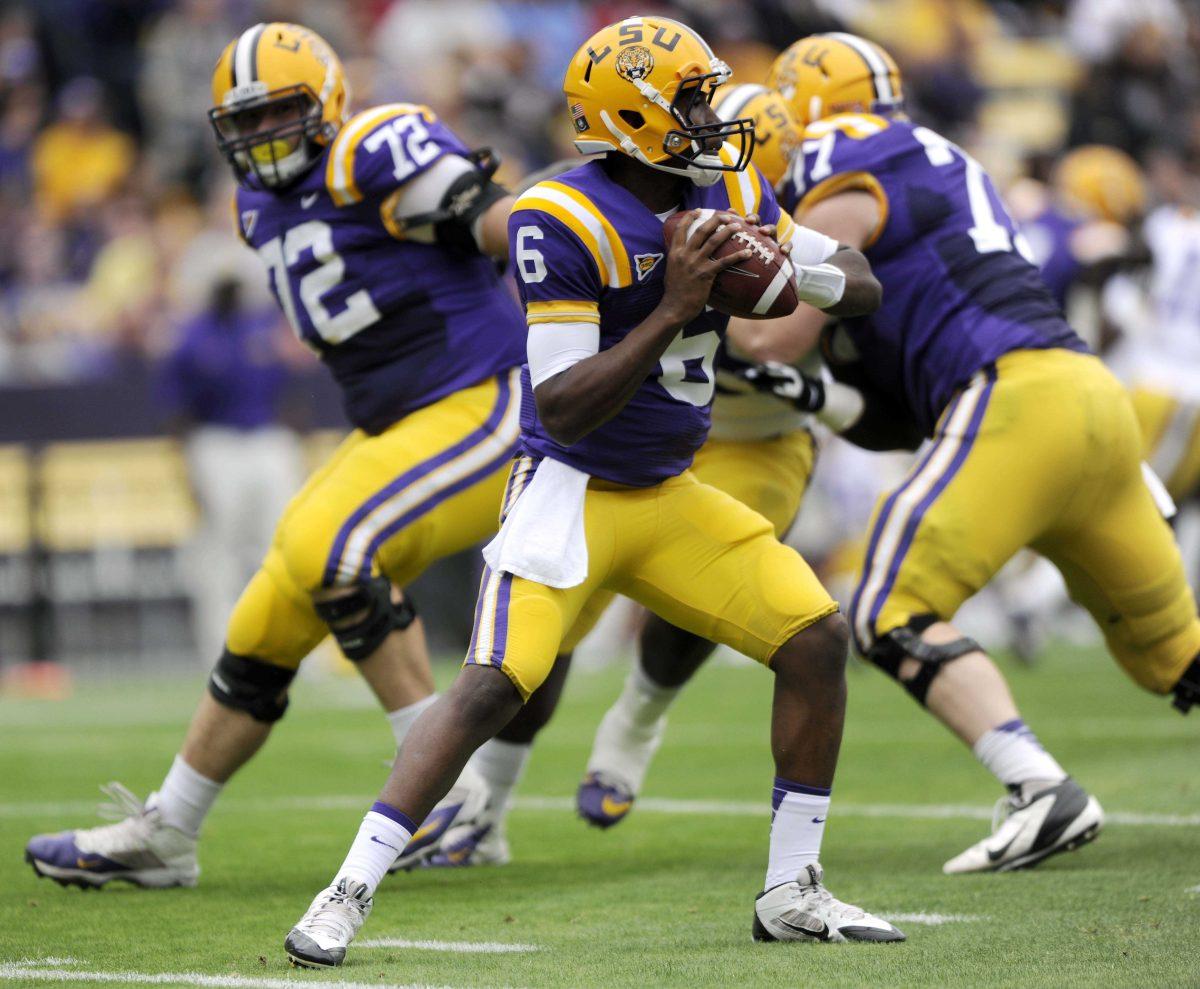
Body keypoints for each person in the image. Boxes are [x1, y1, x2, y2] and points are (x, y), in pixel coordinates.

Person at [283, 16, 902, 969]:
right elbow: (564, 404)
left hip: (667, 491)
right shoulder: (557, 217)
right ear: (636, 116)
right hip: (570, 487)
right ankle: (346, 891)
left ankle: (792, 888)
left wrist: (794, 270)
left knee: (815, 638)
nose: (712, 115)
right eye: (691, 100)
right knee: (494, 685)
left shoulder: (726, 184)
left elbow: (859, 282)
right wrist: (676, 304)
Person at [24, 21, 560, 889]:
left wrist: (561, 228)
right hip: (398, 426)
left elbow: (501, 225)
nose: (261, 136)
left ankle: (443, 790)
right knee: (268, 605)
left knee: (330, 549)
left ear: (328, 105)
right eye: (244, 122)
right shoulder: (254, 205)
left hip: (485, 398)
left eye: (279, 113)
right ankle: (170, 830)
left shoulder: (376, 150)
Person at [743, 32, 1200, 873]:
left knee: (886, 608)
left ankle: (1036, 787)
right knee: (1173, 657)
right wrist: (814, 390)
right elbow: (895, 412)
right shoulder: (941, 157)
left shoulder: (837, 157)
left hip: (1014, 400)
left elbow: (773, 337)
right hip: (1089, 401)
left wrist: (693, 318)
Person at [158, 275, 304, 665]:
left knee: (285, 543)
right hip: (215, 442)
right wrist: (186, 465)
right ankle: (222, 650)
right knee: (220, 549)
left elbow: (288, 387)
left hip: (266, 437)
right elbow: (176, 410)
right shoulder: (191, 336)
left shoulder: (261, 325)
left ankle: (295, 648)